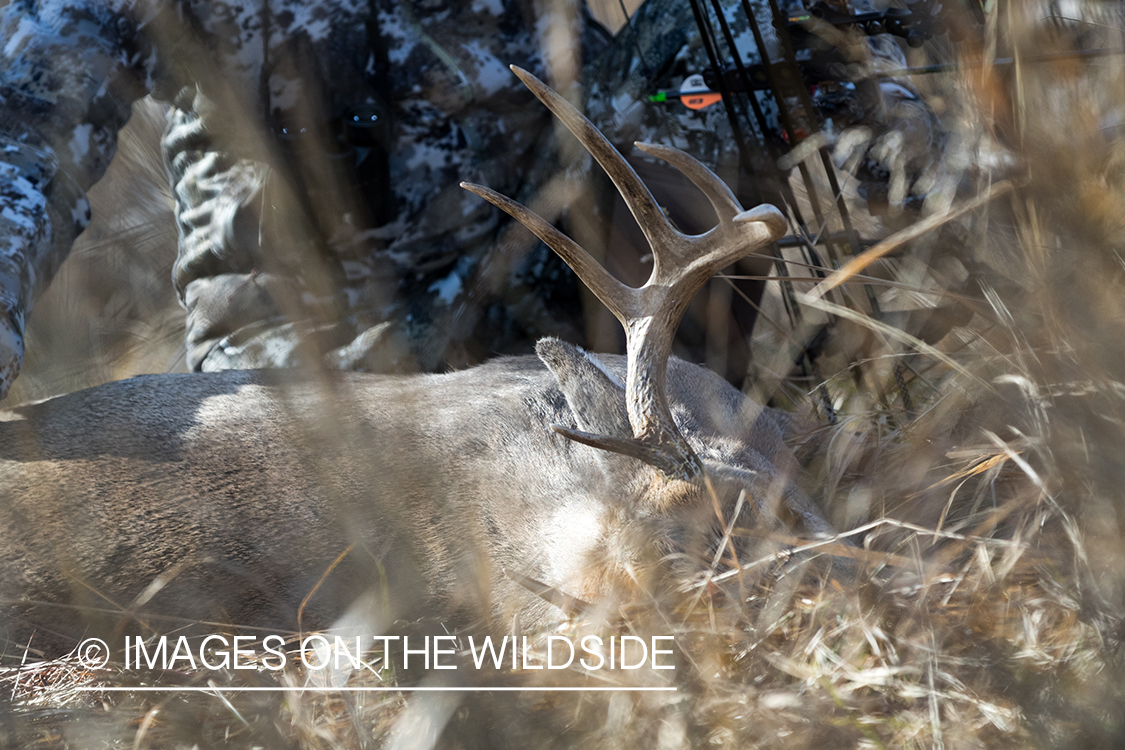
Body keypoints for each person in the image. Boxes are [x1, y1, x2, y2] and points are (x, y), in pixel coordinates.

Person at [0, 0, 944, 401]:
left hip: (567, 315)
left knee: (741, 29)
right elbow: (20, 122)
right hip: (318, 393)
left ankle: (716, 414)